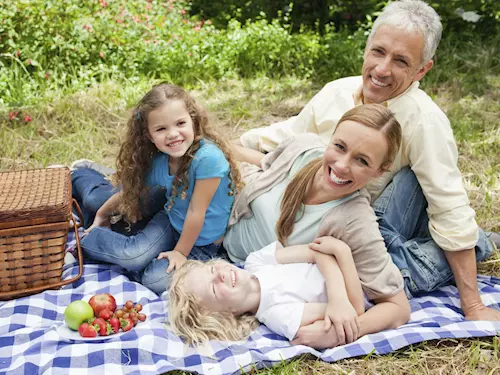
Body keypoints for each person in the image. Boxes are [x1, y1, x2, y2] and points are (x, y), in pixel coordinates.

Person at [232, 0, 500, 327]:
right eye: (378, 52)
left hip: (377, 224)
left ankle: (475, 243)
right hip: (329, 226)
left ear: (422, 70)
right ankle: (470, 242)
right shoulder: (336, 92)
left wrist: (472, 305)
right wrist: (226, 144)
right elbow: (288, 137)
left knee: (397, 270)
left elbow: (450, 208)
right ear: (366, 49)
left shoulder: (425, 122)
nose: (383, 69)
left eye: (401, 61)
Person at [218, 103, 409, 347]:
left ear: (379, 172)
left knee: (411, 262)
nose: (341, 165)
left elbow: (398, 307)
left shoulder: (355, 221)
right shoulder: (303, 149)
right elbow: (266, 165)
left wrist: (343, 332)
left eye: (361, 160)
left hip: (246, 267)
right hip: (220, 238)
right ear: (330, 139)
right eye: (339, 147)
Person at [71, 83, 242, 294]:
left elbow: (196, 212)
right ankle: (87, 237)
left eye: (180, 123)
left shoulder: (208, 159)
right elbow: (131, 192)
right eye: (161, 129)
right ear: (149, 136)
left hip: (203, 244)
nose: (172, 134)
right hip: (170, 222)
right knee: (132, 255)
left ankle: (137, 250)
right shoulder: (162, 162)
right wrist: (101, 215)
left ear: (193, 122)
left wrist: (179, 253)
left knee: (154, 280)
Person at [169, 238, 410, 348]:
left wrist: (337, 292)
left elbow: (318, 251)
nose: (219, 273)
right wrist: (342, 255)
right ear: (225, 314)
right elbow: (351, 311)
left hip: (374, 243)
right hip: (400, 274)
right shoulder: (279, 315)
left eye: (212, 268)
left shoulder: (256, 261)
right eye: (214, 287)